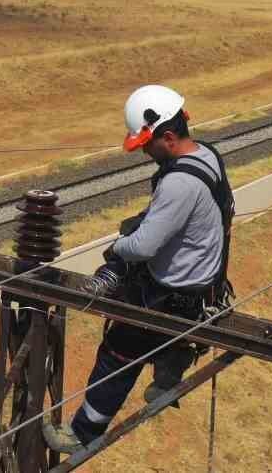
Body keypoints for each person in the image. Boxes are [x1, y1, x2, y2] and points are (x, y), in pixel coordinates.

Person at [42, 84, 235, 455]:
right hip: (203, 287)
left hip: (175, 293)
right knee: (136, 233)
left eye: (147, 144)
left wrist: (117, 248)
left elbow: (144, 248)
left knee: (118, 351)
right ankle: (172, 358)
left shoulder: (178, 182)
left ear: (168, 137)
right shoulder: (206, 154)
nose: (145, 152)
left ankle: (83, 432)